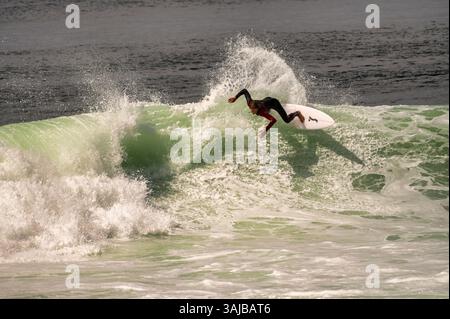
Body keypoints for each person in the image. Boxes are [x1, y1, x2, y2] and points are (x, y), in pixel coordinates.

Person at [228, 89, 305, 133]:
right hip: (266, 100)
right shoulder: (250, 102)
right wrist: (235, 98)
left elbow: (274, 120)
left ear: (257, 109)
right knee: (267, 110)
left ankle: (297, 113)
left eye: (253, 110)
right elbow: (245, 91)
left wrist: (266, 129)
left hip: (274, 103)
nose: (251, 111)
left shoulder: (261, 111)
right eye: (251, 109)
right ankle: (281, 105)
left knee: (287, 120)